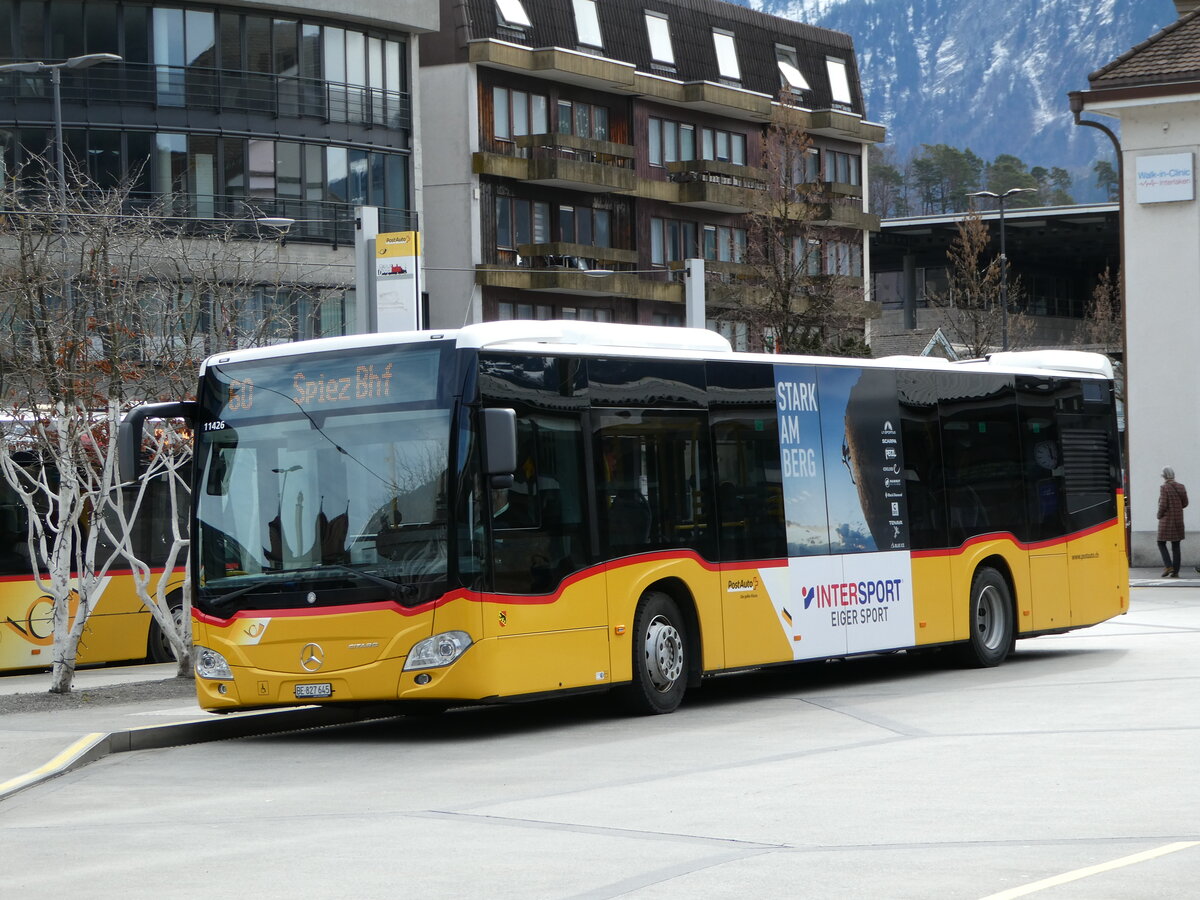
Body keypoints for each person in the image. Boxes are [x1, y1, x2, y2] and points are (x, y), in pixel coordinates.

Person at [1156, 466, 1188, 577]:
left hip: (1166, 520)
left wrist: (1159, 515)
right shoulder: (1181, 487)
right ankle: (1175, 572)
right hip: (1178, 520)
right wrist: (1177, 508)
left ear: (1164, 476)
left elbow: (1163, 505)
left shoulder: (1164, 488)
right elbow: (1185, 503)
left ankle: (1168, 566)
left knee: (1161, 542)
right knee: (1176, 545)